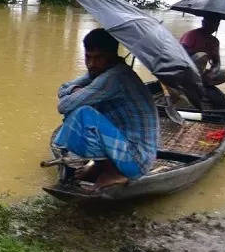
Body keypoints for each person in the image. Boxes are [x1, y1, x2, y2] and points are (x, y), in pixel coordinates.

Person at [54, 28, 159, 190]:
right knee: (83, 106)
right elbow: (63, 88)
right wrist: (76, 90)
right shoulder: (100, 71)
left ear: (111, 56)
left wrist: (77, 93)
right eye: (88, 57)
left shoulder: (114, 77)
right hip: (128, 149)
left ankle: (113, 172)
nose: (91, 64)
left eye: (98, 58)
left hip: (137, 160)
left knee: (82, 113)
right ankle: (100, 164)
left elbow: (63, 105)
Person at [179, 16, 225, 85]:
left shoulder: (215, 42)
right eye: (210, 23)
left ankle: (203, 81)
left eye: (216, 24)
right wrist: (201, 52)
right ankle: (192, 81)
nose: (213, 26)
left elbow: (217, 62)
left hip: (200, 71)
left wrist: (212, 71)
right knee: (202, 55)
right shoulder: (192, 34)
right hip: (184, 69)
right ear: (203, 23)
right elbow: (180, 53)